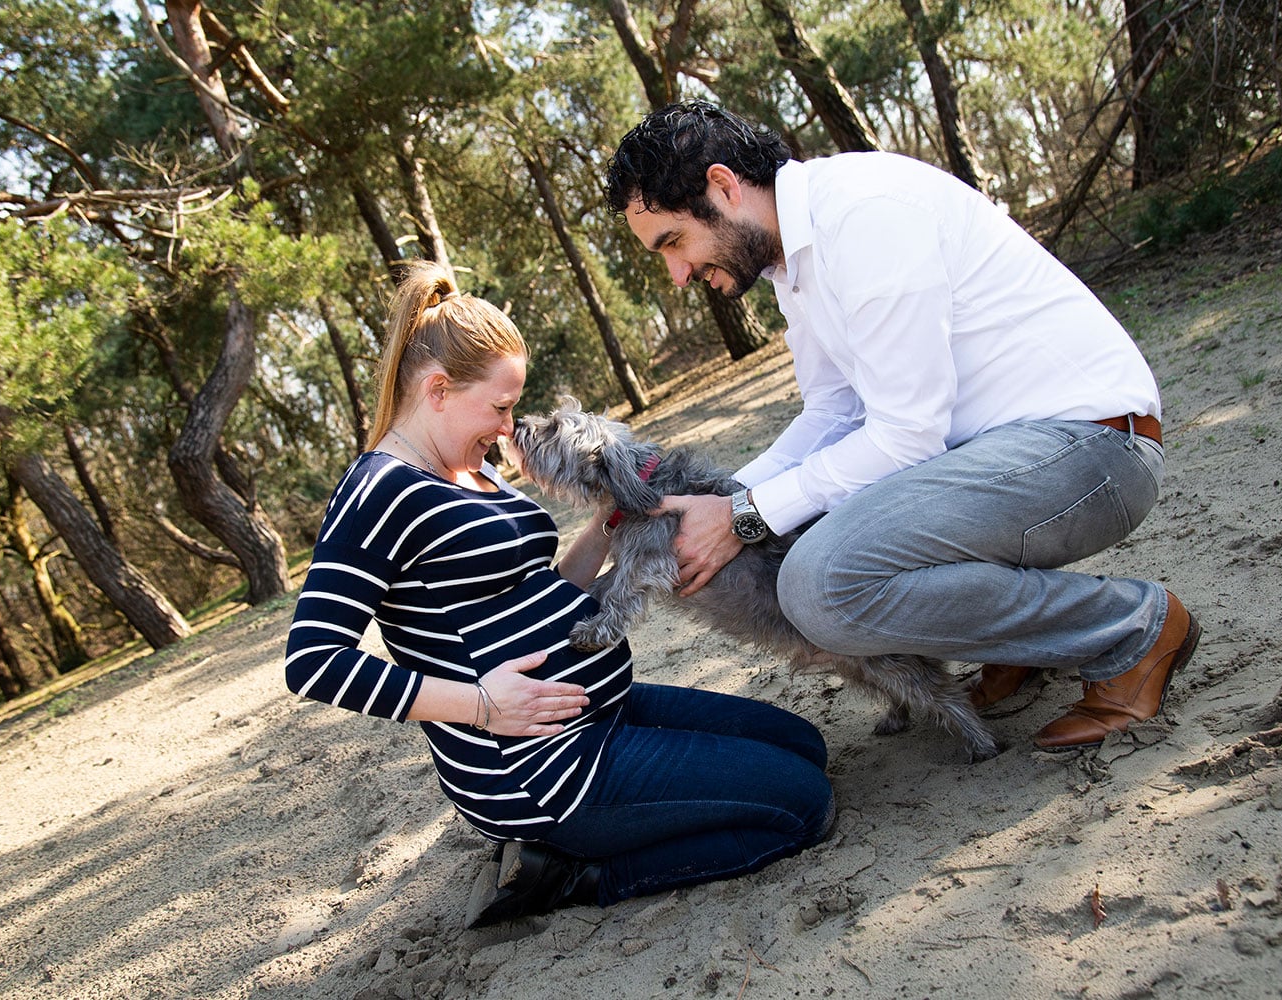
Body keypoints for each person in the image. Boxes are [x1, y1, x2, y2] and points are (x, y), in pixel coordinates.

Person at [603, 100, 1200, 752]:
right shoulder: (791, 258)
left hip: (1092, 449)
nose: (678, 273)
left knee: (819, 585)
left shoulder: (863, 214)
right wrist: (724, 501)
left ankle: (1133, 630)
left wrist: (745, 516)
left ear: (724, 187)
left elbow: (905, 433)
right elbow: (835, 412)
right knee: (811, 527)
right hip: (1000, 458)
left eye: (673, 243)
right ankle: (1021, 644)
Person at [284, 260, 833, 927]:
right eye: (500, 407)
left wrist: (614, 518)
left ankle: (594, 833)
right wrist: (481, 705)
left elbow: (535, 594)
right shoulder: (379, 493)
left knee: (805, 745)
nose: (508, 428)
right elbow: (313, 660)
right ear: (437, 389)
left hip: (599, 711)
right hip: (540, 766)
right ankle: (572, 874)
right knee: (802, 804)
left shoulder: (470, 469)